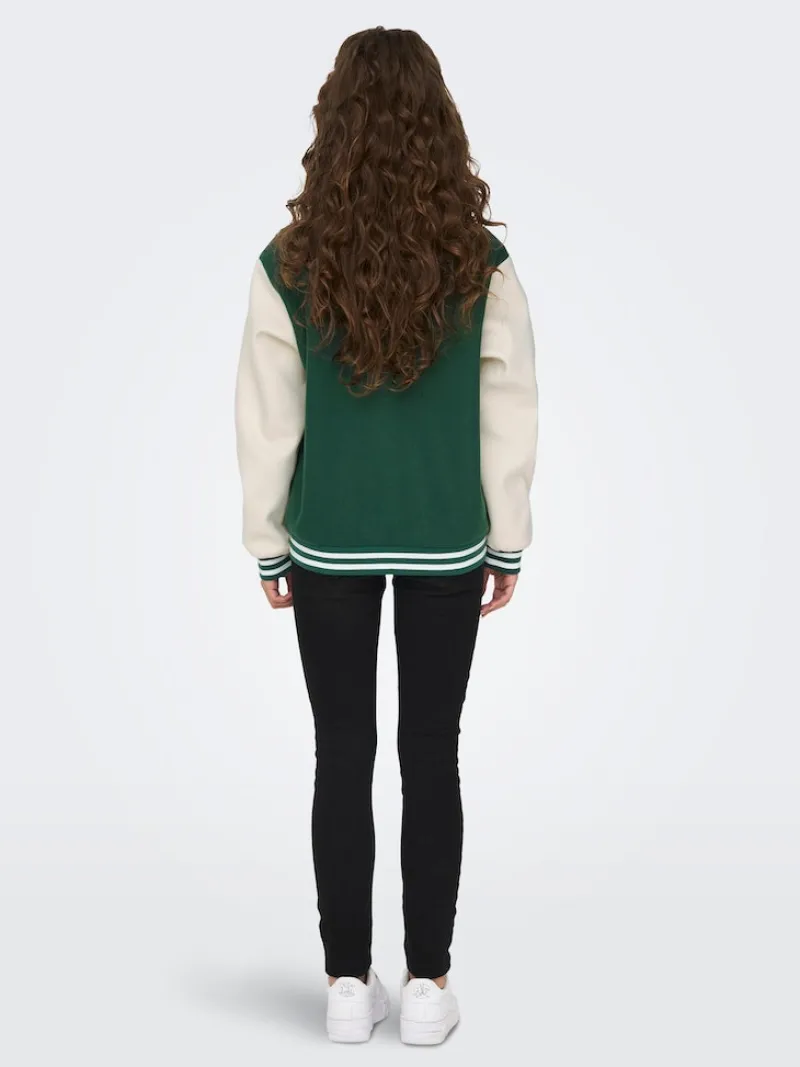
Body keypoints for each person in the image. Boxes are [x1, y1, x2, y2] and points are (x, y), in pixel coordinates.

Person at [234, 26, 538, 1046]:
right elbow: (509, 407)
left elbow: (266, 417)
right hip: (447, 538)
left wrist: (267, 536)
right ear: (438, 124)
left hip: (329, 540)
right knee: (429, 753)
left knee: (342, 753)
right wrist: (505, 535)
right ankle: (427, 983)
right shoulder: (480, 262)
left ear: (333, 122)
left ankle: (343, 982)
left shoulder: (288, 264)